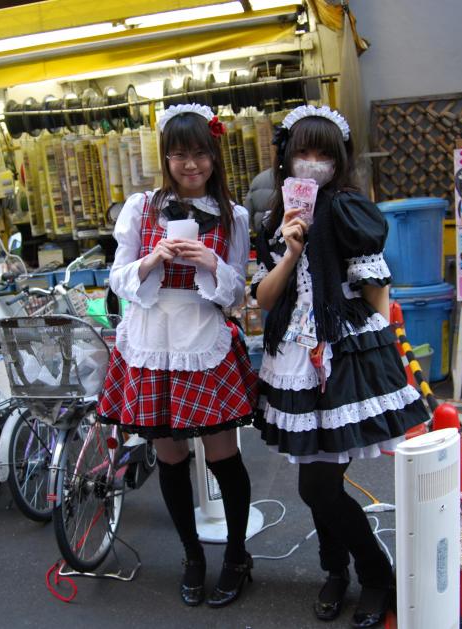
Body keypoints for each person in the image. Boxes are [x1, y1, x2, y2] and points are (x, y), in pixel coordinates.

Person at [251, 105, 428, 628]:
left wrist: (380, 357)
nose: (312, 164)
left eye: (324, 154)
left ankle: (372, 573)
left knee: (317, 485)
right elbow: (265, 298)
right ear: (285, 157)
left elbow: (376, 289)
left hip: (343, 353)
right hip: (293, 355)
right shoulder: (273, 218)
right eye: (302, 153)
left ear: (339, 160)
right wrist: (288, 250)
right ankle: (340, 572)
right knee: (316, 479)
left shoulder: (349, 209)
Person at [96, 104, 256, 609]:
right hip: (150, 343)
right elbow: (117, 279)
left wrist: (212, 264)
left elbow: (236, 295)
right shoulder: (140, 207)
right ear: (166, 158)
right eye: (180, 155)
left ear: (214, 155)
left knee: (223, 455)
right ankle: (192, 556)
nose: (192, 165)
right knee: (169, 456)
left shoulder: (235, 215)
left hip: (202, 340)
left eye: (201, 154)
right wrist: (151, 260)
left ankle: (235, 556)